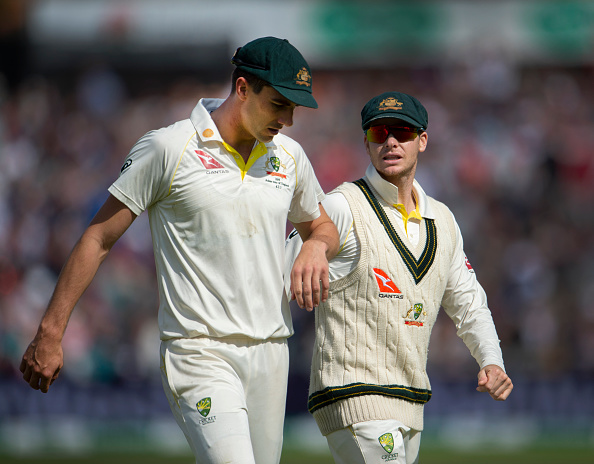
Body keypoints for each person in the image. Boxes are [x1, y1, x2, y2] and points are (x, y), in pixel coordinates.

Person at [20, 36, 339, 464]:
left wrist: (316, 246)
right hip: (198, 351)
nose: (289, 119)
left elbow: (320, 225)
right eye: (279, 104)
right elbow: (97, 238)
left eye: (294, 108)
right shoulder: (168, 147)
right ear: (243, 88)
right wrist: (51, 332)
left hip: (271, 352)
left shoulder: (290, 156)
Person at [285, 91, 513, 464]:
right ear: (367, 142)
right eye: (379, 132)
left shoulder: (443, 221)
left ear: (422, 140)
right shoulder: (342, 206)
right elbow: (279, 274)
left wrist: (491, 359)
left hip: (409, 400)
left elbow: (469, 301)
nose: (390, 141)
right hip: (352, 393)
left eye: (403, 131)